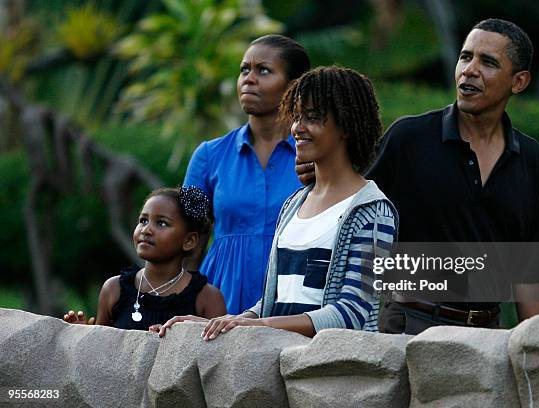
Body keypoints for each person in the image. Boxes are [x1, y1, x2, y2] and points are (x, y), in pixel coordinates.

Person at [297, 19, 539, 334]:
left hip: (489, 333)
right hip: (409, 325)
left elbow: (531, 271)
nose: (469, 70)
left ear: (519, 81)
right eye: (465, 57)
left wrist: (538, 343)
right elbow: (349, 213)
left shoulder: (531, 159)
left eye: (487, 62)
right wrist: (322, 172)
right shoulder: (409, 138)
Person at [157, 66, 398, 339]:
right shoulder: (213, 156)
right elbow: (192, 224)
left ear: (346, 124)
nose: (298, 127)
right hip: (267, 344)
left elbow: (353, 312)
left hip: (331, 367)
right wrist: (219, 320)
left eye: (312, 118)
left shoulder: (371, 210)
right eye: (296, 117)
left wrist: (254, 324)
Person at [182, 35, 311, 315]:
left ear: (294, 86)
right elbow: (189, 235)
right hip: (219, 296)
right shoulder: (207, 156)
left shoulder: (315, 155)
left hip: (293, 297)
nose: (249, 79)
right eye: (244, 70)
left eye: (263, 70)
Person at [63, 187, 226, 330]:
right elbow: (102, 353)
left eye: (162, 223)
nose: (146, 230)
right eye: (143, 220)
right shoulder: (114, 290)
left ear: (189, 241)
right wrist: (83, 334)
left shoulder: (207, 298)